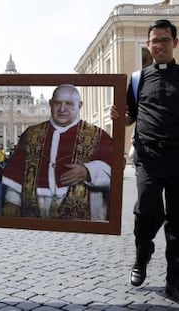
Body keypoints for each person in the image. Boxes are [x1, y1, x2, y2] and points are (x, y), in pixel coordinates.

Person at [111, 19, 179, 303]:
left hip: (178, 157)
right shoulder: (138, 80)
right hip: (148, 157)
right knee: (146, 212)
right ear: (148, 45)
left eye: (165, 40)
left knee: (178, 223)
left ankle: (174, 281)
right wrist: (119, 117)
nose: (159, 45)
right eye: (155, 41)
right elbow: (130, 116)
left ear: (174, 43)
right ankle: (142, 255)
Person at [2, 84, 112, 220]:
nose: (62, 109)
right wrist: (12, 201)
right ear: (50, 104)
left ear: (80, 105)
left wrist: (89, 171)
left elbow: (114, 167)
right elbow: (17, 171)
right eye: (57, 103)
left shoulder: (99, 135)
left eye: (69, 104)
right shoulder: (31, 134)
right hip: (33, 213)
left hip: (84, 214)